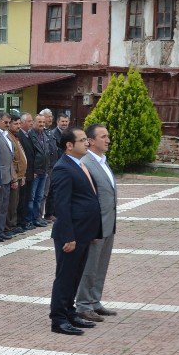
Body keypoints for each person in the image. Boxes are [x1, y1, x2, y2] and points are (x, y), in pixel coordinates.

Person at [48, 129, 102, 336]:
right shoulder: (63, 168)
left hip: (83, 232)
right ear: (69, 145)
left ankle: (70, 313)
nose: (87, 143)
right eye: (82, 141)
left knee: (75, 275)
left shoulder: (78, 164)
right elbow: (61, 205)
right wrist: (69, 236)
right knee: (65, 276)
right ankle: (59, 319)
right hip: (70, 234)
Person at [76, 124, 118, 323]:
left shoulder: (102, 161)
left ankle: (94, 301)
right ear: (91, 141)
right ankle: (83, 304)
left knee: (101, 264)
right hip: (95, 225)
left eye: (108, 136)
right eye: (103, 136)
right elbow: (85, 199)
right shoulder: (86, 163)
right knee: (89, 266)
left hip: (108, 223)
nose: (108, 140)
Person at [0, 113, 15, 242]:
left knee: (4, 205)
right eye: (6, 122)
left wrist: (13, 175)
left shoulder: (7, 135)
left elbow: (10, 157)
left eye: (9, 122)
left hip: (8, 175)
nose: (8, 124)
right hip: (0, 176)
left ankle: (0, 230)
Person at [44, 113, 70, 220]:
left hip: (66, 165)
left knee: (63, 191)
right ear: (58, 122)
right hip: (56, 165)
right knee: (53, 191)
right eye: (62, 121)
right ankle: (50, 213)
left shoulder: (69, 133)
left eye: (66, 121)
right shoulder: (53, 133)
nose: (64, 123)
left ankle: (59, 211)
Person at [6, 114, 28, 237]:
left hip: (20, 175)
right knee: (11, 203)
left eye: (19, 123)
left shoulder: (16, 136)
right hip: (14, 176)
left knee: (16, 202)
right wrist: (15, 176)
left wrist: (23, 174)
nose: (18, 126)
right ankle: (9, 227)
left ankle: (13, 225)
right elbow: (12, 159)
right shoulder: (9, 137)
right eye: (16, 124)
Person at [28, 114, 51, 228]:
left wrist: (47, 169)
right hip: (35, 172)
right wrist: (33, 170)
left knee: (39, 196)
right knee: (31, 197)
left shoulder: (45, 134)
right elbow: (30, 155)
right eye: (39, 122)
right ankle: (30, 219)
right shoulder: (30, 135)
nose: (42, 124)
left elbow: (47, 152)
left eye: (43, 122)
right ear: (34, 123)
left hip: (44, 171)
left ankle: (37, 217)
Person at [16, 113, 37, 230]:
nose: (31, 123)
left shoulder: (28, 135)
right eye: (29, 121)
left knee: (28, 198)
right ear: (23, 122)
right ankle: (20, 222)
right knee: (22, 199)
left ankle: (25, 221)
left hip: (29, 173)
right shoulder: (20, 136)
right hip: (23, 174)